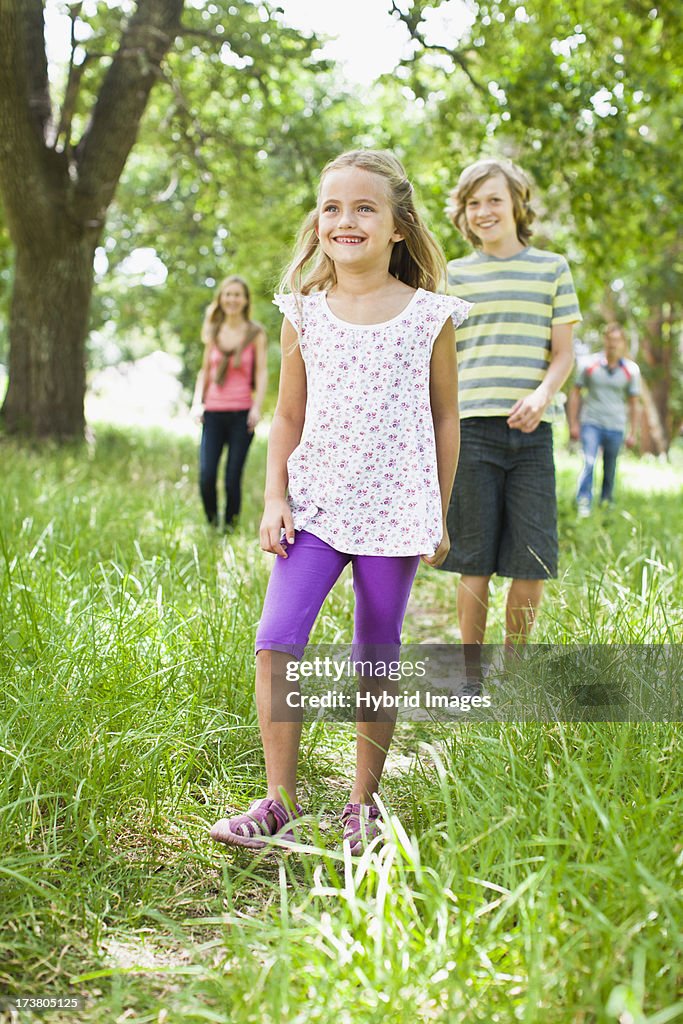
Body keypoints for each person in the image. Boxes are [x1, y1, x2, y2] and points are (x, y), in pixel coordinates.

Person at [209, 149, 471, 854]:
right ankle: (279, 802)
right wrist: (273, 497)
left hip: (394, 511)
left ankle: (362, 803)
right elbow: (286, 414)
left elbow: (446, 416)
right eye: (331, 207)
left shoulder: (429, 315)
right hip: (316, 507)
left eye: (363, 207)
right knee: (276, 640)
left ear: (396, 227)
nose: (344, 219)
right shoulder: (302, 313)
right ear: (317, 222)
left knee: (374, 652)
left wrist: (438, 511)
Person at [440, 158, 581, 649]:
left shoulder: (552, 269)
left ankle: (515, 675)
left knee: (531, 560)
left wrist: (543, 395)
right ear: (462, 213)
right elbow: (438, 361)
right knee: (473, 560)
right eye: (473, 203)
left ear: (517, 204)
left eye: (494, 199)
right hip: (471, 430)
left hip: (531, 434)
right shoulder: (452, 276)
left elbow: (563, 355)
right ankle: (471, 674)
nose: (484, 211)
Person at [192, 276, 267, 530]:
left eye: (237, 295)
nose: (232, 299)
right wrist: (197, 403)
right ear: (221, 299)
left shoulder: (255, 333)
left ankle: (231, 526)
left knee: (232, 477)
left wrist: (256, 408)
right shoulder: (213, 330)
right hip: (213, 413)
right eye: (228, 294)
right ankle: (213, 524)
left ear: (245, 300)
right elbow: (205, 371)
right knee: (206, 475)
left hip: (241, 414)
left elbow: (261, 373)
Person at [567, 322, 641, 515]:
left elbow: (634, 403)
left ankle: (606, 505)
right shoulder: (588, 365)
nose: (612, 344)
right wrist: (573, 423)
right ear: (604, 340)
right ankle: (584, 505)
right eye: (609, 339)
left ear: (623, 343)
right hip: (591, 422)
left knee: (610, 468)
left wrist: (633, 432)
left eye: (616, 340)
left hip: (615, 425)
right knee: (589, 462)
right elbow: (575, 393)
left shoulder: (631, 370)